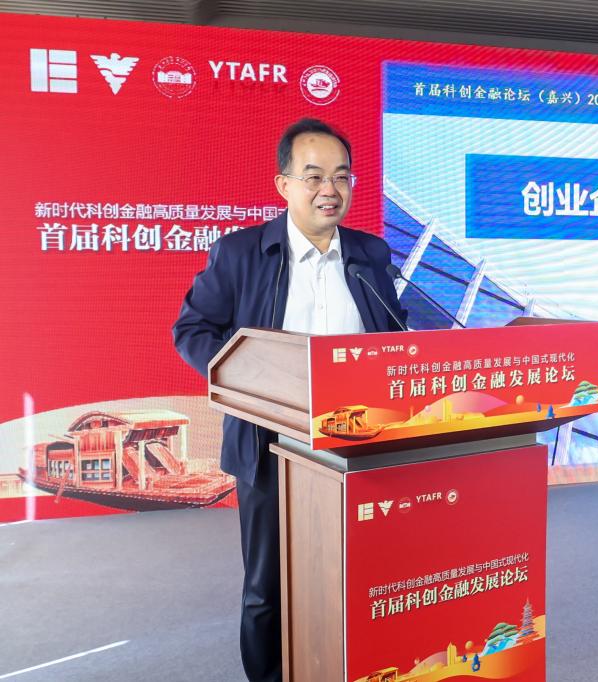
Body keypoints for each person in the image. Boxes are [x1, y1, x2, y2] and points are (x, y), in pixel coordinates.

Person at [173, 118, 406, 681]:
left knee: (360, 577)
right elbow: (192, 329)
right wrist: (252, 379)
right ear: (283, 185)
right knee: (267, 587)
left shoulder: (370, 254)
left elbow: (397, 335)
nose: (331, 189)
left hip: (360, 445)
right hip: (267, 446)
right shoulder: (241, 253)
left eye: (342, 176)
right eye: (314, 176)